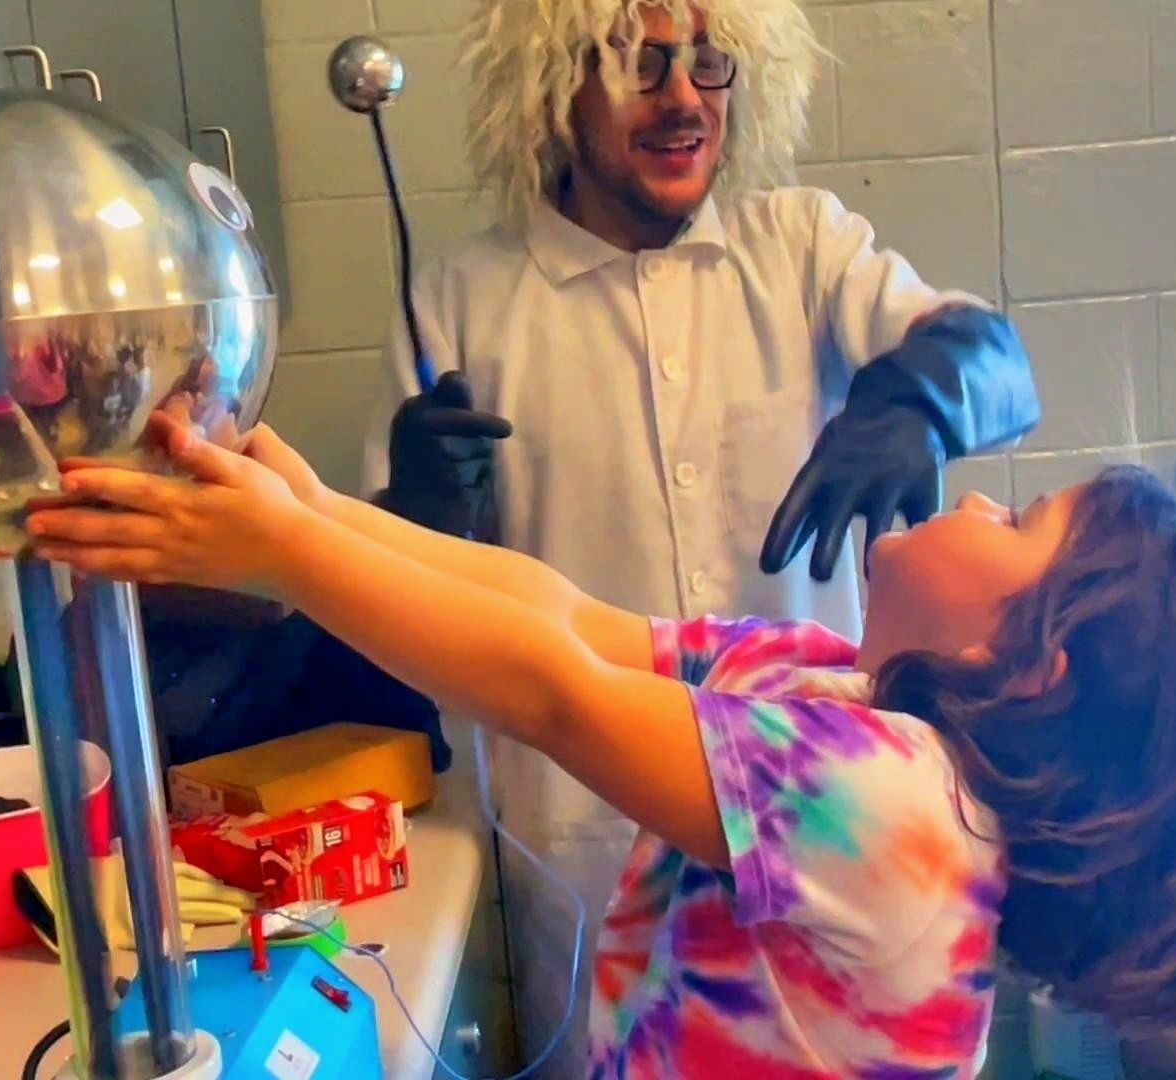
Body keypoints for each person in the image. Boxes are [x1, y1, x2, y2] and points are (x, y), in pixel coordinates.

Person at [24, 415, 1176, 1075]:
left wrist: (286, 559)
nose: (980, 496)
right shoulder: (836, 690)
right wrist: (313, 515)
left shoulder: (911, 811)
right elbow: (563, 623)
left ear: (1027, 660)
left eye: (1021, 515)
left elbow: (558, 700)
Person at [364, 0, 1039, 1055]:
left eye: (709, 64)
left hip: (827, 854)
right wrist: (414, 508)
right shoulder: (461, 298)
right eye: (638, 64)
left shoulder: (805, 249)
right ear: (554, 88)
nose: (684, 98)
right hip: (580, 855)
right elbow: (394, 611)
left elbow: (1001, 362)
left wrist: (922, 399)